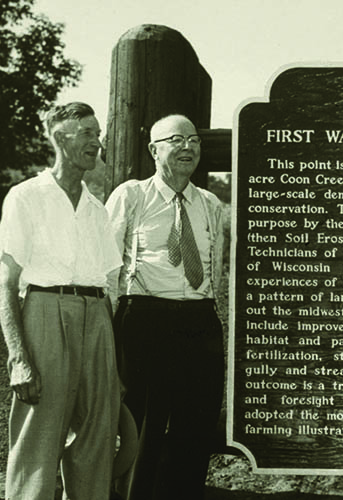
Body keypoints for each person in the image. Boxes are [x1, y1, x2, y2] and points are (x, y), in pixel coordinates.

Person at [0, 102, 122, 499]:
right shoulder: (25, 197)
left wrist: (111, 361)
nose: (96, 142)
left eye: (98, 133)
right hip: (45, 315)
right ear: (59, 137)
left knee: (96, 441)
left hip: (98, 318)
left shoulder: (97, 209)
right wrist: (18, 358)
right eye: (87, 133)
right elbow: (6, 283)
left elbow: (110, 283)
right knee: (38, 439)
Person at [106, 114, 225, 499]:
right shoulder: (132, 195)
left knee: (197, 421)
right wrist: (109, 328)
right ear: (154, 149)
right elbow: (107, 267)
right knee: (142, 422)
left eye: (194, 140)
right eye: (176, 139)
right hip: (144, 317)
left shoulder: (209, 203)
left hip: (198, 319)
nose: (188, 147)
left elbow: (215, 268)